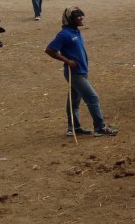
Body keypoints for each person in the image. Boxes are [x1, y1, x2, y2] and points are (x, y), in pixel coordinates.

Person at [45, 7, 117, 137]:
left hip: (80, 72)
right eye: (77, 16)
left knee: (74, 101)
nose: (81, 18)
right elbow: (50, 50)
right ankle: (99, 127)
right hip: (75, 74)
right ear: (69, 19)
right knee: (93, 98)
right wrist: (67, 61)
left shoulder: (75, 32)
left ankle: (74, 128)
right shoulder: (64, 34)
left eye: (81, 15)